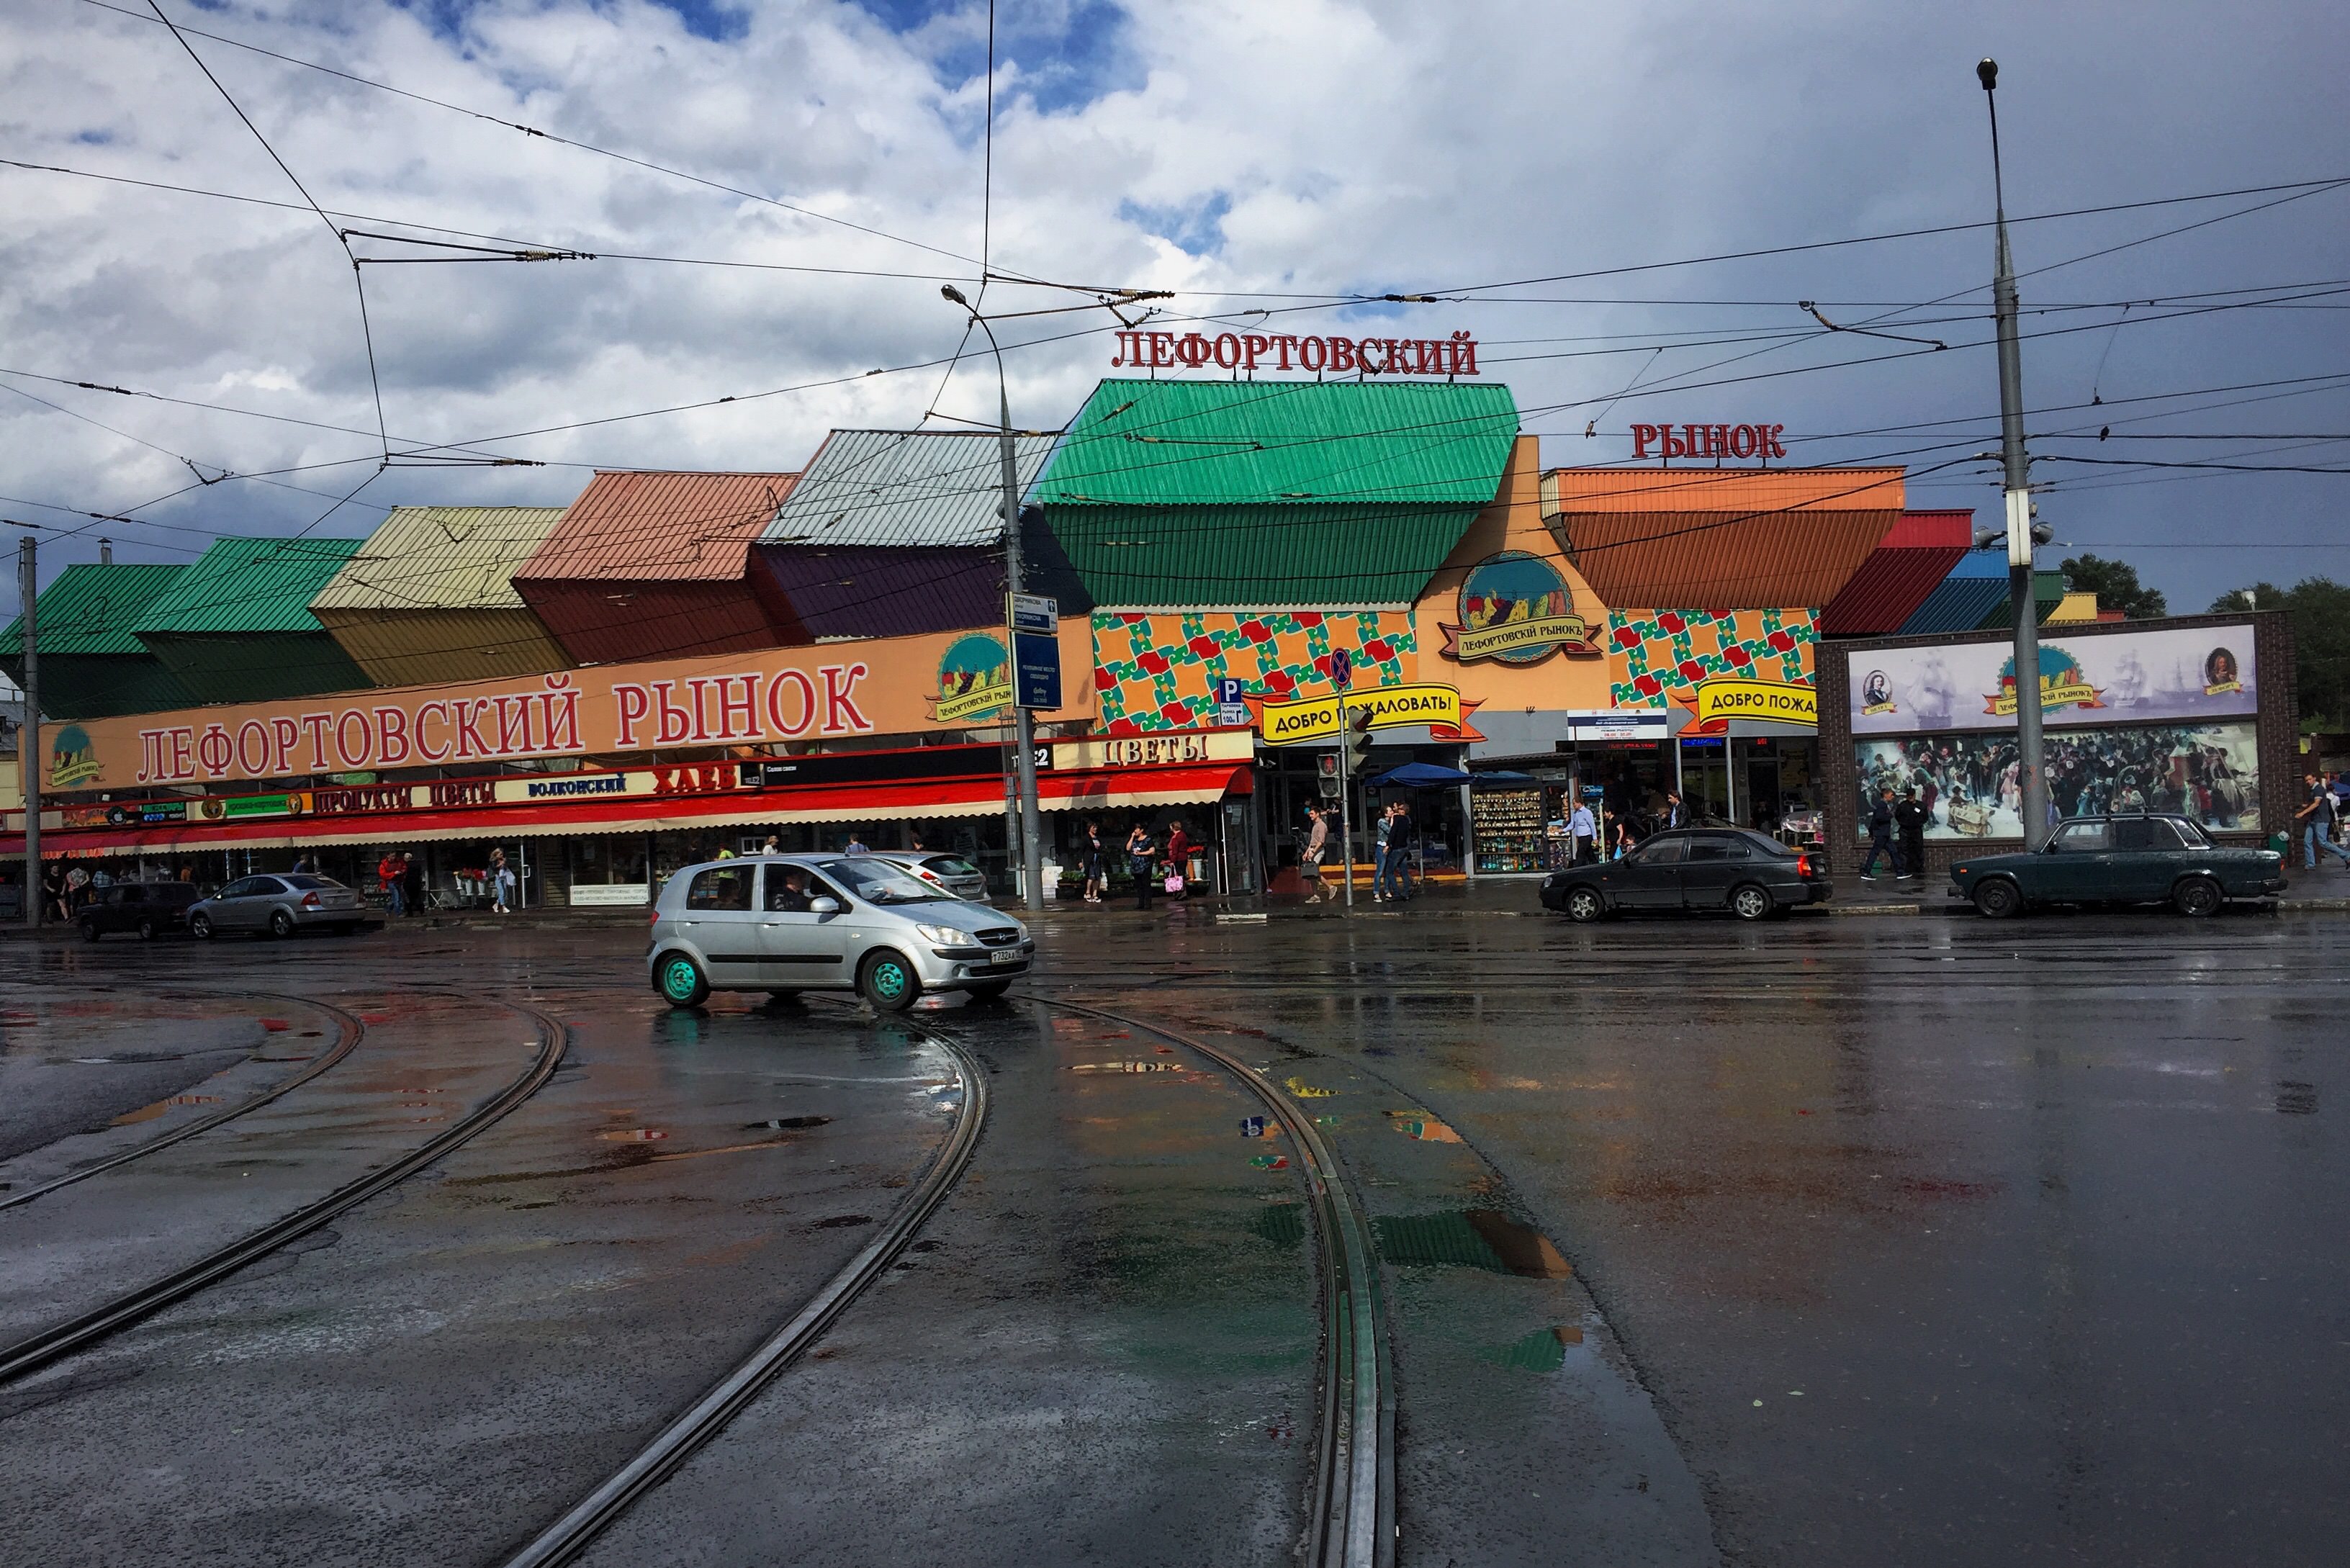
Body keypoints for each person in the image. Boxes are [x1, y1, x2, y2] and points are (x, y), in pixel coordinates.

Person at [2296, 772, 2350, 870]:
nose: (2308, 782)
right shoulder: (2313, 790)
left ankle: (2347, 856)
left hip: (2321, 819)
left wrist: (2302, 813)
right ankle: (2311, 864)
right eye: (2306, 780)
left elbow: (2317, 804)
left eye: (2309, 779)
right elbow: (2313, 804)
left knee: (2323, 842)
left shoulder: (2319, 789)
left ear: (2314, 778)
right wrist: (2303, 806)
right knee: (2307, 841)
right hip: (2313, 819)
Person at [1860, 788, 1900, 881]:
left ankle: (1900, 872)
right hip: (1882, 833)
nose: (1893, 797)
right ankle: (1866, 872)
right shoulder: (1882, 805)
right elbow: (1879, 818)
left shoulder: (1883, 805)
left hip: (1883, 834)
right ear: (1885, 795)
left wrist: (1871, 831)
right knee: (1875, 853)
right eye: (1891, 795)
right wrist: (1890, 815)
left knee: (1893, 851)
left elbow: (1875, 819)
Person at [1894, 788, 1930, 885]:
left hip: (1917, 830)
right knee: (1904, 849)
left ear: (1914, 795)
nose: (1910, 798)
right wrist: (1903, 823)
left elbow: (1925, 817)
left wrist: (1919, 823)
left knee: (1918, 848)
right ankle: (1905, 867)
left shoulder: (1920, 805)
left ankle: (1919, 867)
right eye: (1908, 796)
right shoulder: (1903, 806)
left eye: (1911, 796)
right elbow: (1897, 816)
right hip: (1905, 829)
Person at [1387, 799, 1415, 901]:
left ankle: (1396, 893)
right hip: (1404, 848)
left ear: (1403, 811)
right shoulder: (1407, 820)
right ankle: (1406, 892)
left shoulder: (1398, 818)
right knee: (1403, 871)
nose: (1396, 810)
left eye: (1399, 808)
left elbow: (1393, 832)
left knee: (1389, 871)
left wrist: (1388, 844)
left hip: (1397, 848)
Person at [1301, 808, 1331, 901]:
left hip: (1318, 850)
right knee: (1311, 873)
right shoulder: (1315, 826)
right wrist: (1307, 852)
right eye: (1310, 814)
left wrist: (1313, 852)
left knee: (1313, 872)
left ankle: (1330, 887)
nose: (1310, 816)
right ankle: (1315, 895)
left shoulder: (1322, 826)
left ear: (1318, 814)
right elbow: (1312, 841)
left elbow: (1321, 842)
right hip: (1313, 849)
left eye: (1312, 814)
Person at [1125, 821, 1157, 910]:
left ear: (1142, 830)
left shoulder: (1148, 839)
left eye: (1137, 829)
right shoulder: (1134, 840)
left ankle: (1148, 903)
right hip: (1136, 866)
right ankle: (1141, 903)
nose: (1135, 831)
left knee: (1146, 884)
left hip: (1145, 865)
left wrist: (1141, 853)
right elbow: (1128, 848)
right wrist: (1132, 837)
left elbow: (1152, 851)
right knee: (1139, 885)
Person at [1166, 819, 1193, 900]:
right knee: (1181, 876)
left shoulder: (1176, 837)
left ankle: (1180, 894)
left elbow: (1175, 850)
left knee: (1178, 876)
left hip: (1178, 858)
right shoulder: (1183, 835)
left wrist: (1172, 861)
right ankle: (1182, 893)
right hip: (1183, 857)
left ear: (1173, 827)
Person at [1081, 821, 1107, 904]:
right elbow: (1082, 850)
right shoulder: (1086, 838)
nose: (1095, 829)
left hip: (1097, 859)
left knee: (1097, 877)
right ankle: (1088, 892)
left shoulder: (1097, 838)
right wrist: (1080, 861)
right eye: (1093, 828)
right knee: (1091, 876)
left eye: (1096, 828)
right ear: (1089, 828)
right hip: (1090, 859)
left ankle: (1095, 894)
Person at [378, 850, 406, 917]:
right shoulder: (384, 864)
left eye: (395, 856)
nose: (394, 858)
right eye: (393, 856)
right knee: (397, 898)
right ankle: (398, 913)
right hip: (391, 882)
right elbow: (383, 875)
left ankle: (388, 910)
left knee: (395, 899)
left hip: (399, 881)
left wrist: (402, 872)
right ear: (388, 856)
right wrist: (394, 873)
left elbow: (404, 867)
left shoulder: (399, 861)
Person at [1568, 798, 1596, 865]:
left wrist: (1595, 838)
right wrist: (1563, 830)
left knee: (1580, 853)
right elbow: (1572, 825)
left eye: (1574, 803)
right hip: (1580, 838)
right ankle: (1596, 864)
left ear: (1579, 803)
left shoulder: (1587, 812)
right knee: (1590, 854)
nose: (1573, 805)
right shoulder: (1575, 814)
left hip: (1587, 837)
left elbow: (1592, 825)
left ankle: (1577, 868)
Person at [488, 847, 515, 914]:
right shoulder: (494, 861)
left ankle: (497, 903)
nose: (502, 856)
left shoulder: (503, 859)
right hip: (498, 877)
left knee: (504, 892)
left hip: (504, 877)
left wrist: (505, 862)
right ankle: (503, 907)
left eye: (502, 854)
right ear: (496, 854)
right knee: (502, 892)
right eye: (500, 854)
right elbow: (493, 868)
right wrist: (500, 864)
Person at [40, 860, 68, 924]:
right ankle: (49, 918)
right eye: (54, 868)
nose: (56, 869)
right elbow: (45, 884)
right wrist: (50, 889)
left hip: (60, 892)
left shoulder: (61, 875)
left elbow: (64, 883)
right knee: (50, 906)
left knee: (63, 905)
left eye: (57, 868)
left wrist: (63, 890)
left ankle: (66, 918)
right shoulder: (48, 875)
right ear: (51, 869)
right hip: (51, 893)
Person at [402, 852, 423, 917]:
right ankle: (421, 910)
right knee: (417, 897)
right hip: (417, 883)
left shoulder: (406, 866)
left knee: (408, 898)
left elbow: (404, 874)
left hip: (408, 884)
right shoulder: (417, 865)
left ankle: (409, 912)